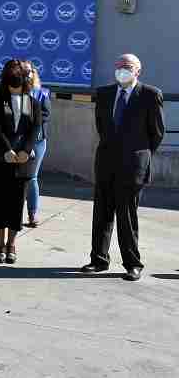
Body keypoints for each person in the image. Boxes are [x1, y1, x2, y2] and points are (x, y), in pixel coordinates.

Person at [81, 54, 164, 282]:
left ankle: (132, 263)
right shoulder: (105, 94)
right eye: (119, 67)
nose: (122, 71)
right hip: (107, 162)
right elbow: (101, 126)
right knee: (102, 214)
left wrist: (140, 155)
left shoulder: (150, 95)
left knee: (127, 217)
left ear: (138, 71)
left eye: (127, 67)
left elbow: (156, 133)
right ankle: (98, 259)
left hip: (133, 166)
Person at [0, 60, 41, 264]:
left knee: (17, 206)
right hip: (0, 159)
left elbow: (35, 128)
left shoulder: (32, 102)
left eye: (17, 83)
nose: (13, 87)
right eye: (10, 83)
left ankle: (11, 244)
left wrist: (26, 150)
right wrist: (7, 150)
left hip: (23, 162)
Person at [23, 61, 51, 228]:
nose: (27, 75)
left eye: (29, 72)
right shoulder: (14, 93)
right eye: (23, 72)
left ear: (34, 74)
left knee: (31, 177)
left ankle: (32, 213)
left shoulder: (42, 93)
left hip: (37, 141)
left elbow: (46, 116)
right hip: (17, 141)